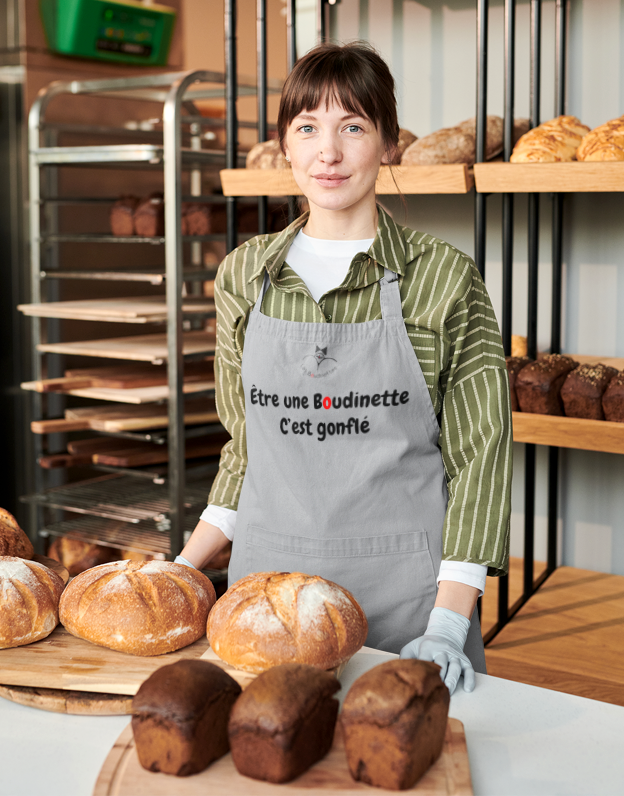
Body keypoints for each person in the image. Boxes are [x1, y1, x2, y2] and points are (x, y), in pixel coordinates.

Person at [176, 42, 512, 694]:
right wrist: (184, 571)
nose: (327, 152)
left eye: (352, 126)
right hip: (264, 602)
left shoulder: (442, 277)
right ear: (286, 145)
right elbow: (247, 451)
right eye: (308, 128)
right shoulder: (245, 275)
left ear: (388, 143)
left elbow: (482, 460)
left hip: (407, 604)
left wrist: (448, 622)